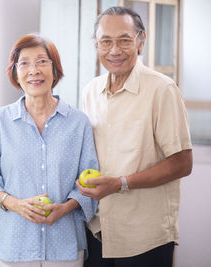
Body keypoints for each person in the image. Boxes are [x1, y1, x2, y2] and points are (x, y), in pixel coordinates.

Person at [77, 6, 193, 267]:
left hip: (145, 237)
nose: (114, 50)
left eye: (124, 40)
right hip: (98, 231)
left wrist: (121, 183)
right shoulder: (91, 91)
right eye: (105, 41)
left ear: (140, 41)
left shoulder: (162, 89)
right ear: (97, 45)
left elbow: (183, 163)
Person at [0, 33, 98, 267]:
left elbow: (90, 184)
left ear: (55, 69)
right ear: (15, 72)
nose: (34, 70)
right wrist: (15, 204)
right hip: (13, 244)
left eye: (42, 61)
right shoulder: (0, 120)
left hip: (64, 245)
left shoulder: (78, 122)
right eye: (24, 63)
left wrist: (65, 208)